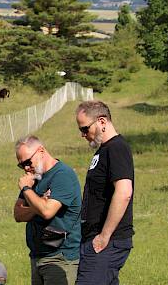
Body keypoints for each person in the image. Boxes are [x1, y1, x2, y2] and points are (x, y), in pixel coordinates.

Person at [75, 101, 134, 284]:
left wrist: (104, 236)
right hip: (94, 239)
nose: (83, 135)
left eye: (85, 129)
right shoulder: (103, 150)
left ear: (102, 121)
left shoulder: (116, 148)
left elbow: (124, 192)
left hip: (106, 242)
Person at [13, 135, 81, 285]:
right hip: (37, 256)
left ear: (41, 151)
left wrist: (26, 189)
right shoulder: (34, 178)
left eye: (27, 162)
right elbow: (18, 214)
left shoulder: (62, 175)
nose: (25, 168)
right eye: (21, 165)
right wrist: (40, 203)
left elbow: (47, 212)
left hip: (59, 258)